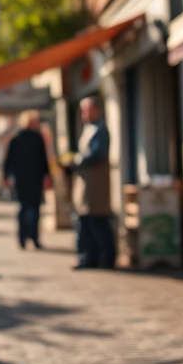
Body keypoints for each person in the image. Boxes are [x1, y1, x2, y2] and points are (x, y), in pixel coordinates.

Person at [69, 95, 116, 269]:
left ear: (96, 109)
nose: (83, 113)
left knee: (98, 222)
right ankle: (90, 257)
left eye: (85, 109)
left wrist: (76, 160)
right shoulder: (90, 128)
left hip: (95, 186)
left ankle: (106, 257)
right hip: (86, 184)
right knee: (87, 223)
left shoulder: (100, 130)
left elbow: (97, 154)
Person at [3, 111, 51, 250]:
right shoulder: (36, 137)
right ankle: (33, 237)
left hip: (22, 178)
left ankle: (22, 238)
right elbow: (44, 159)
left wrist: (6, 175)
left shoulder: (16, 137)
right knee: (33, 208)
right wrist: (46, 176)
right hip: (34, 178)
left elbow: (8, 160)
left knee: (24, 208)